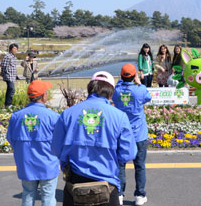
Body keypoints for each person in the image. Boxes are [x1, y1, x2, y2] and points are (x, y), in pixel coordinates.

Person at [51, 71, 137, 206]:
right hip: (107, 185)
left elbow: (56, 148)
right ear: (111, 92)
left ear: (90, 89)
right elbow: (128, 153)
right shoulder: (120, 116)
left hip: (75, 184)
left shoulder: (68, 114)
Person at [7, 80, 60, 206]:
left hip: (26, 163)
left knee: (28, 194)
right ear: (44, 96)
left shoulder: (16, 116)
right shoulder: (53, 116)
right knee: (48, 196)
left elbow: (11, 138)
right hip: (48, 163)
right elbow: (60, 141)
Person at [112, 64, 152, 206]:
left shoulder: (117, 91)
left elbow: (116, 89)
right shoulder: (139, 90)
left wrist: (123, 80)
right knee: (139, 165)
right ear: (135, 76)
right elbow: (148, 97)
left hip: (121, 134)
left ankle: (120, 194)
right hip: (139, 134)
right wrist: (139, 82)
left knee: (120, 166)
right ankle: (140, 195)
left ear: (121, 76)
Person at [1, 43, 18, 107]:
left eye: (16, 49)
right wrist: (3, 74)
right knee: (12, 89)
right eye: (14, 48)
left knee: (9, 90)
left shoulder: (13, 57)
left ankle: (7, 104)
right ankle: (8, 104)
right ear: (10, 49)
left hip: (12, 76)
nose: (15, 50)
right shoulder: (8, 56)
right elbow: (3, 65)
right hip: (8, 76)